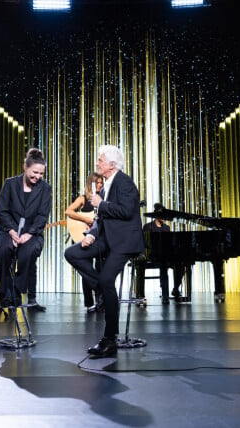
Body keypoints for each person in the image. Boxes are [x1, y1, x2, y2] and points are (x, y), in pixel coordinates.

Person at [64, 145, 144, 359]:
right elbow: (101, 217)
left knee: (108, 282)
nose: (97, 162)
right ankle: (100, 287)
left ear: (112, 164)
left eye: (101, 159)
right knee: (72, 253)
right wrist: (91, 233)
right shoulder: (107, 184)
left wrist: (102, 203)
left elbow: (127, 212)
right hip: (106, 238)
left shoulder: (124, 182)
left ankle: (110, 339)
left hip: (124, 242)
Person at [0, 148, 52, 308]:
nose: (38, 177)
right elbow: (2, 211)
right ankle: (5, 291)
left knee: (29, 251)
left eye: (41, 173)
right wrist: (12, 233)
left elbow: (42, 216)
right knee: (3, 250)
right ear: (25, 167)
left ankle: (16, 290)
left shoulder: (45, 189)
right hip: (8, 229)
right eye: (35, 172)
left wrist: (29, 234)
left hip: (32, 233)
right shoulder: (10, 183)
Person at [64, 172, 105, 312]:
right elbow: (68, 211)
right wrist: (86, 220)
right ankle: (89, 303)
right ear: (91, 184)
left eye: (101, 183)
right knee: (86, 270)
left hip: (99, 238)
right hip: (83, 237)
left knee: (100, 267)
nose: (100, 185)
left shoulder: (103, 199)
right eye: (97, 183)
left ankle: (101, 301)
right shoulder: (83, 199)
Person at [136, 212, 183, 305]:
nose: (165, 217)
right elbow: (143, 242)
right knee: (143, 265)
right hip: (150, 255)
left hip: (164, 256)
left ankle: (175, 289)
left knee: (180, 264)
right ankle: (140, 295)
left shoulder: (167, 228)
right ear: (156, 216)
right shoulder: (148, 227)